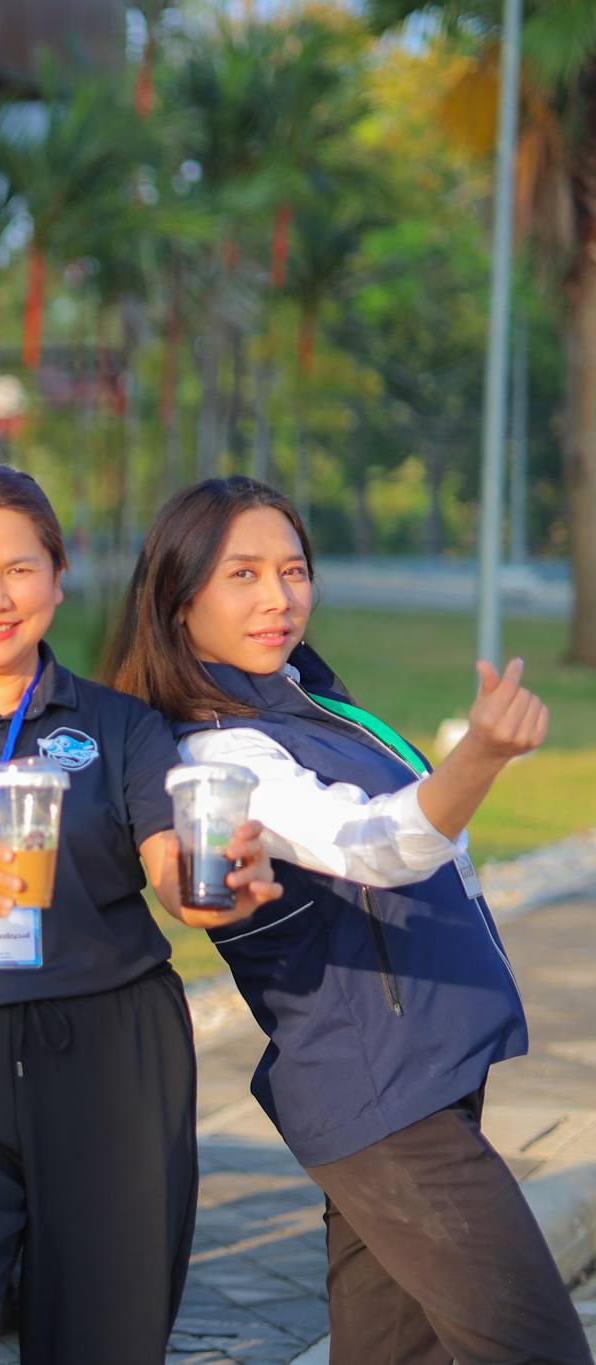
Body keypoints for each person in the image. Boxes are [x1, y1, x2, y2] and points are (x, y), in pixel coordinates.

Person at [105, 476, 589, 1365]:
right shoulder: (220, 751)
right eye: (242, 574)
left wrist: (456, 778)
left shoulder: (302, 699)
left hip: (419, 1072)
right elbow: (371, 844)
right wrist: (479, 757)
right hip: (381, 1096)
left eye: (293, 570)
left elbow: (431, 839)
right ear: (179, 601)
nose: (278, 597)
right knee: (539, 1347)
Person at [0, 464, 280, 1364]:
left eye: (20, 569)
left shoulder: (122, 726)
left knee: (103, 1341)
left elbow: (168, 860)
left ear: (58, 577)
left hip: (112, 1056)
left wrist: (216, 889)